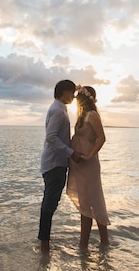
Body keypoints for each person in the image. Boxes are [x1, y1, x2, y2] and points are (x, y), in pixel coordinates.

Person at [38, 79, 82, 253]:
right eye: (71, 92)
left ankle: (44, 240)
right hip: (55, 163)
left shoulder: (59, 108)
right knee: (50, 203)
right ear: (64, 92)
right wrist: (71, 153)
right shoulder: (58, 110)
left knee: (50, 203)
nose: (73, 96)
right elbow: (51, 137)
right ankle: (44, 244)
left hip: (55, 162)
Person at [66, 85, 110, 248]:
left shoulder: (92, 115)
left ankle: (103, 242)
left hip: (88, 164)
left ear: (85, 98)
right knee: (84, 202)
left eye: (78, 97)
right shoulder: (81, 116)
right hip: (79, 165)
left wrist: (90, 155)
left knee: (95, 200)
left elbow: (101, 138)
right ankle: (84, 244)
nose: (76, 99)